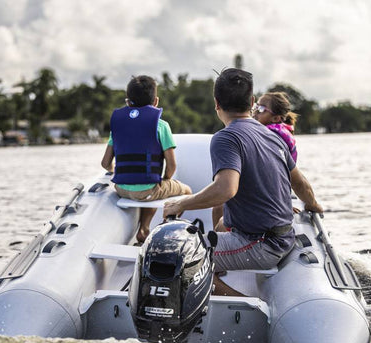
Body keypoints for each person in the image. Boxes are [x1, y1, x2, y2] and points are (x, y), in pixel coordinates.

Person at [163, 68, 323, 296]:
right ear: (252, 101)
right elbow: (301, 184)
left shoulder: (226, 137)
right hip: (282, 235)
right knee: (218, 228)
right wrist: (313, 205)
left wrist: (181, 204)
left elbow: (225, 189)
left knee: (175, 259)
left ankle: (247, 305)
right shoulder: (272, 136)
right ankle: (217, 274)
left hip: (260, 243)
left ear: (216, 103)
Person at [101, 75, 191, 243]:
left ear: (128, 102)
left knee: (150, 188)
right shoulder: (161, 125)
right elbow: (171, 166)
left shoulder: (118, 126)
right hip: (148, 190)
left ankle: (143, 229)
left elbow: (105, 163)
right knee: (186, 191)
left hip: (121, 188)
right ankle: (163, 233)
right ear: (156, 101)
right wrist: (165, 180)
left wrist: (118, 172)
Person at [253, 91, 298, 162]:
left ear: (276, 118)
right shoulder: (279, 131)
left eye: (261, 109)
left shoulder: (272, 136)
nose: (255, 112)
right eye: (256, 107)